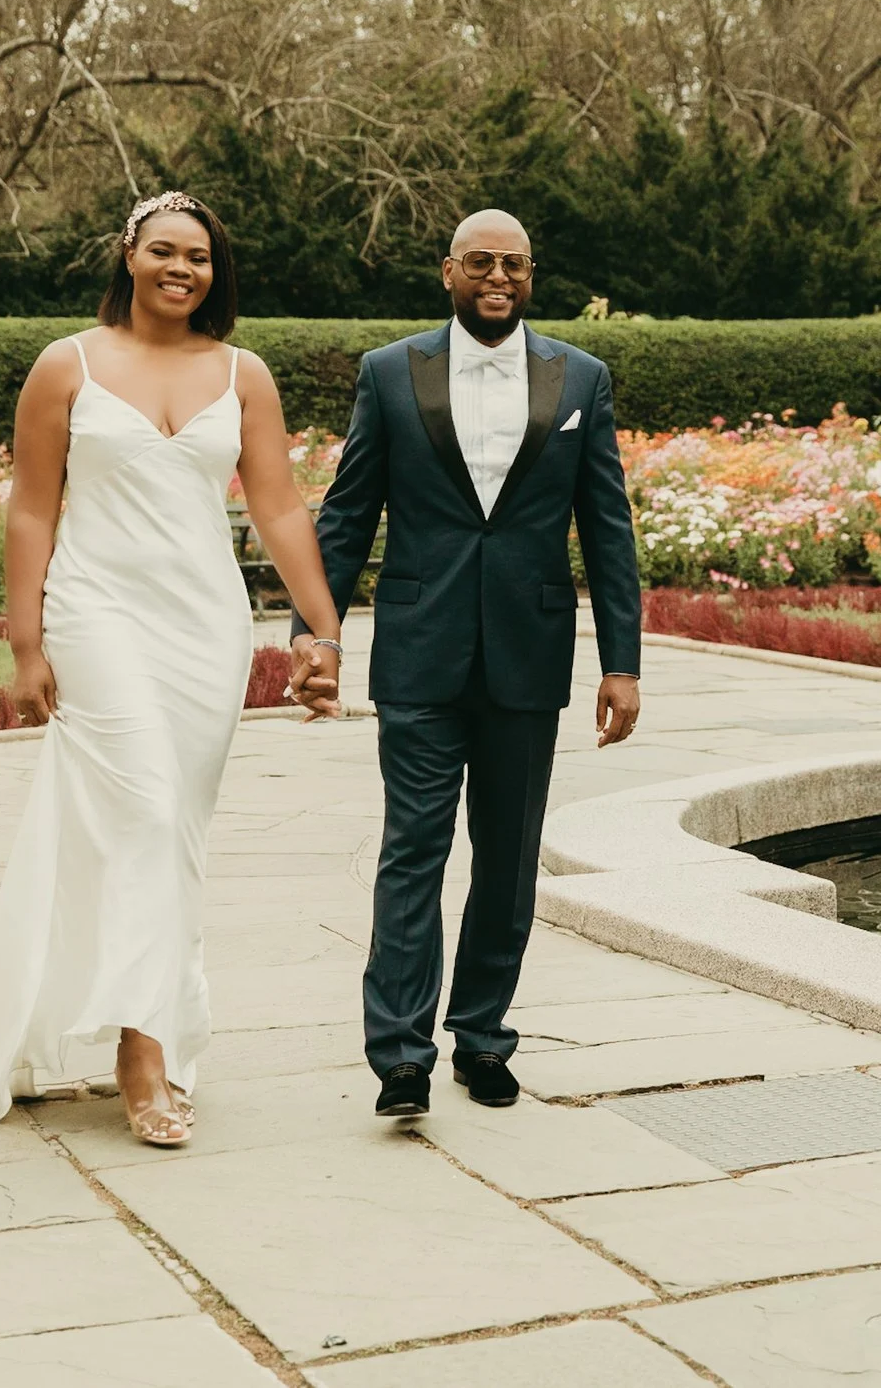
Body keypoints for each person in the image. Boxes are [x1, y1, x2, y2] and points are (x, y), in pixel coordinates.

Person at [0, 191, 346, 1146]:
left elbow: (281, 508)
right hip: (96, 614)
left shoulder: (242, 373)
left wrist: (322, 630)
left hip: (203, 624)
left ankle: (157, 1019)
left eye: (200, 257)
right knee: (141, 809)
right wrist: (25, 641)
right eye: (164, 250)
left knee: (175, 828)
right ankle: (142, 1053)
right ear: (128, 255)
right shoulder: (68, 365)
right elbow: (32, 510)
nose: (182, 268)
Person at [288, 208, 643, 1118]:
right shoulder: (390, 373)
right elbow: (347, 515)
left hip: (528, 657)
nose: (497, 277)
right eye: (480, 262)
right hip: (419, 650)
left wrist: (621, 661)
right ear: (447, 271)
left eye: (513, 265)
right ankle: (401, 1055)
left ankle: (481, 1037)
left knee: (509, 856)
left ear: (532, 275)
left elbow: (607, 529)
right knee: (414, 848)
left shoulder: (582, 379)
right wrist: (314, 634)